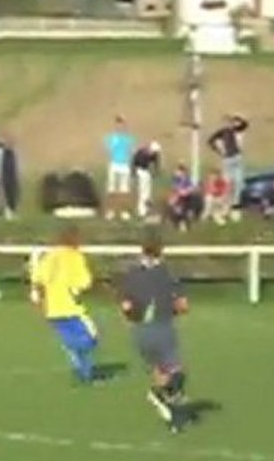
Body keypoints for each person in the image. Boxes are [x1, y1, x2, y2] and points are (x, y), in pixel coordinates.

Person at [117, 228, 191, 433]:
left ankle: (172, 418)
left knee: (159, 370)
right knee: (176, 373)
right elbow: (183, 305)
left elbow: (126, 307)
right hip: (162, 328)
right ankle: (161, 396)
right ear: (161, 250)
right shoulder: (168, 274)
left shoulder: (131, 275)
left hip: (140, 331)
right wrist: (172, 308)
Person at [30, 224, 99, 384]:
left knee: (75, 341)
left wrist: (37, 295)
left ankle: (85, 375)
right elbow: (85, 282)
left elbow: (38, 279)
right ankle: (78, 359)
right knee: (91, 338)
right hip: (72, 308)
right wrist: (78, 288)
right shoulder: (75, 256)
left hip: (53, 310)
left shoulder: (49, 256)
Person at [207, 114, 248, 218]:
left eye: (234, 122)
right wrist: (219, 150)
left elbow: (245, 125)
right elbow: (210, 141)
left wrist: (238, 119)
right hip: (227, 159)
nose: (232, 124)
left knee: (238, 183)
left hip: (237, 158)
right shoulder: (223, 132)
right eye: (231, 122)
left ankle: (235, 208)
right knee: (228, 185)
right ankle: (224, 208)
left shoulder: (237, 130)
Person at [103, 116, 136, 221]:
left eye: (122, 124)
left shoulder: (129, 139)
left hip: (124, 165)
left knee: (124, 189)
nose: (120, 126)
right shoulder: (111, 138)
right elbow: (108, 149)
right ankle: (111, 211)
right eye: (118, 124)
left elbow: (132, 150)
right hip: (114, 164)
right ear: (115, 125)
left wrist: (128, 158)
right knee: (111, 188)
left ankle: (124, 211)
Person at [131, 140, 162, 219]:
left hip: (146, 172)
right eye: (155, 152)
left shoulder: (153, 154)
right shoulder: (142, 153)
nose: (155, 154)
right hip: (141, 171)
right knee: (143, 191)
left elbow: (156, 163)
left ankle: (146, 208)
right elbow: (135, 162)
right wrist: (133, 172)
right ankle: (141, 211)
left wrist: (156, 171)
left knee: (147, 192)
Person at [167, 164, 199, 232]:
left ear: (183, 172)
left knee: (181, 208)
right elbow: (174, 188)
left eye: (178, 171)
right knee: (174, 206)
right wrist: (179, 192)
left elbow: (192, 188)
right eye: (176, 171)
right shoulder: (175, 179)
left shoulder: (187, 179)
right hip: (178, 196)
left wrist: (186, 191)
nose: (176, 172)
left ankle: (182, 222)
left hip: (186, 198)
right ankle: (177, 220)